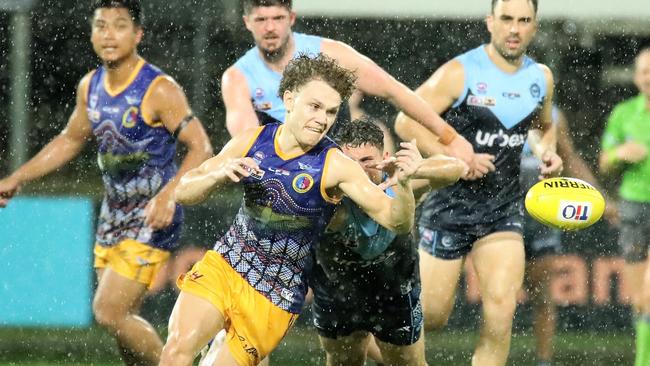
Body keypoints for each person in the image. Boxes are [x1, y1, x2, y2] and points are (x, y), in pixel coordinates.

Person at [159, 54, 418, 366]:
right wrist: (217, 173)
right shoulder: (253, 140)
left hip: (275, 296)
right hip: (226, 266)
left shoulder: (336, 165)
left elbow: (396, 221)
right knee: (176, 352)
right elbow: (184, 191)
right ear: (289, 99)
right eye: (315, 106)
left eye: (332, 111)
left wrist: (403, 184)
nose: (323, 119)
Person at [0, 1, 213, 365]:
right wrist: (18, 176)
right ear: (92, 33)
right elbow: (69, 139)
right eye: (101, 26)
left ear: (138, 34)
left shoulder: (158, 89)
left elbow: (202, 147)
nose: (109, 34)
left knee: (108, 312)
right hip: (111, 220)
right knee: (121, 322)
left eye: (119, 26)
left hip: (151, 219)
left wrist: (169, 196)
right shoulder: (91, 86)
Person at [394, 0, 563, 365]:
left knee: (501, 314)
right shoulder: (460, 72)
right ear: (490, 22)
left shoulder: (541, 78)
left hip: (503, 213)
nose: (514, 29)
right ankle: (369, 348)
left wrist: (547, 151)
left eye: (524, 20)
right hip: (448, 209)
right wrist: (457, 157)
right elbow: (405, 122)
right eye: (506, 19)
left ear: (535, 26)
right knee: (432, 318)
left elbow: (542, 126)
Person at [222, 0, 482, 174]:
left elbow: (395, 91)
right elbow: (247, 145)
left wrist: (452, 138)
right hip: (284, 180)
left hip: (343, 172)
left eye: (277, 17)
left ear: (291, 18)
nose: (269, 27)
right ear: (247, 22)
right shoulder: (237, 78)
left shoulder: (329, 53)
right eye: (261, 20)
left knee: (439, 174)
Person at [311, 118, 466, 366]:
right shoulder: (326, 194)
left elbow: (457, 168)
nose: (359, 171)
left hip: (394, 289)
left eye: (367, 161)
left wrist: (417, 170)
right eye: (350, 162)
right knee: (343, 361)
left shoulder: (402, 181)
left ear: (385, 157)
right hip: (336, 289)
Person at [522, 106, 618, 366]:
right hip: (502, 209)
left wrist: (599, 196)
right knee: (500, 293)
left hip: (542, 214)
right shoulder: (489, 105)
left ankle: (544, 361)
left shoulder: (552, 115)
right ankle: (492, 355)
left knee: (541, 293)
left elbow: (569, 156)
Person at [599, 47, 650, 366]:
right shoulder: (623, 113)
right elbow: (605, 163)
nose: (649, 78)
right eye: (645, 71)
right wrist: (621, 155)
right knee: (639, 302)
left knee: (649, 294)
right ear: (635, 77)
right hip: (633, 209)